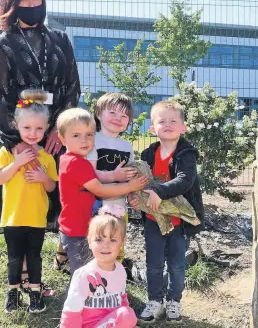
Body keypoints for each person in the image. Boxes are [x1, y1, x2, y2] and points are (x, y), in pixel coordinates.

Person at [0, 0, 80, 284]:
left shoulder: (60, 40)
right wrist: (15, 142)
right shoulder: (4, 44)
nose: (31, 4)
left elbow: (72, 88)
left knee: (59, 194)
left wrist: (60, 129)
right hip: (19, 136)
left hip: (56, 137)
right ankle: (25, 276)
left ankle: (63, 254)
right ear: (12, 3)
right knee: (23, 203)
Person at [129, 100, 204, 325]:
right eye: (162, 121)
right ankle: (155, 301)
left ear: (184, 127)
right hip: (153, 219)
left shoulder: (186, 154)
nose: (168, 124)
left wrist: (159, 191)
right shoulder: (148, 154)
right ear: (153, 129)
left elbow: (185, 181)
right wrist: (136, 199)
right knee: (153, 262)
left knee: (176, 263)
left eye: (174, 121)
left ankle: (174, 301)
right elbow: (141, 183)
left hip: (179, 221)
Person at [56, 108, 148, 276]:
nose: (84, 140)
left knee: (88, 269)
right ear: (62, 139)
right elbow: (100, 189)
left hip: (77, 226)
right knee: (82, 273)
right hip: (78, 230)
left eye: (89, 135)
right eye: (76, 135)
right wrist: (130, 187)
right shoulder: (77, 164)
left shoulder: (71, 160)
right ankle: (79, 300)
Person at [0, 90, 58, 314]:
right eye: (27, 128)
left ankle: (35, 293)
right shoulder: (7, 152)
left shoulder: (46, 157)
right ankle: (12, 294)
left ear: (47, 128)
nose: (33, 133)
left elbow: (51, 187)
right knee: (14, 257)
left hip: (36, 218)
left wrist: (43, 178)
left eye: (39, 128)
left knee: (34, 257)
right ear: (16, 126)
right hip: (12, 217)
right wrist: (17, 163)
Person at [60, 208, 137, 328]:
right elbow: (71, 313)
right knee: (127, 315)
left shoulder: (121, 270)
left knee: (127, 315)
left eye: (112, 240)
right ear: (90, 242)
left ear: (122, 243)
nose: (106, 245)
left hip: (109, 322)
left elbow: (122, 302)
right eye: (99, 239)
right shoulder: (83, 275)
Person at [86, 93, 137, 264]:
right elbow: (88, 173)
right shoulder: (93, 140)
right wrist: (112, 176)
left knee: (117, 238)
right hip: (95, 203)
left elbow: (130, 173)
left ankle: (115, 274)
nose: (118, 118)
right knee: (97, 239)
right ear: (99, 114)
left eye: (124, 116)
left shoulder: (127, 146)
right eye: (113, 113)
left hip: (119, 203)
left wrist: (132, 193)